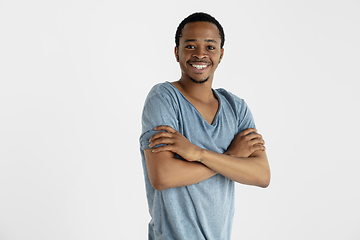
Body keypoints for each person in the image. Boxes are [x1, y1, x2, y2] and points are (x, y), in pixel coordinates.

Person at [139, 12, 270, 240]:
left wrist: (197, 153)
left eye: (210, 47)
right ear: (176, 52)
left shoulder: (236, 108)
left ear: (221, 54)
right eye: (190, 46)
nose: (200, 54)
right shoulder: (163, 98)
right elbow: (163, 176)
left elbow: (261, 175)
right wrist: (231, 157)